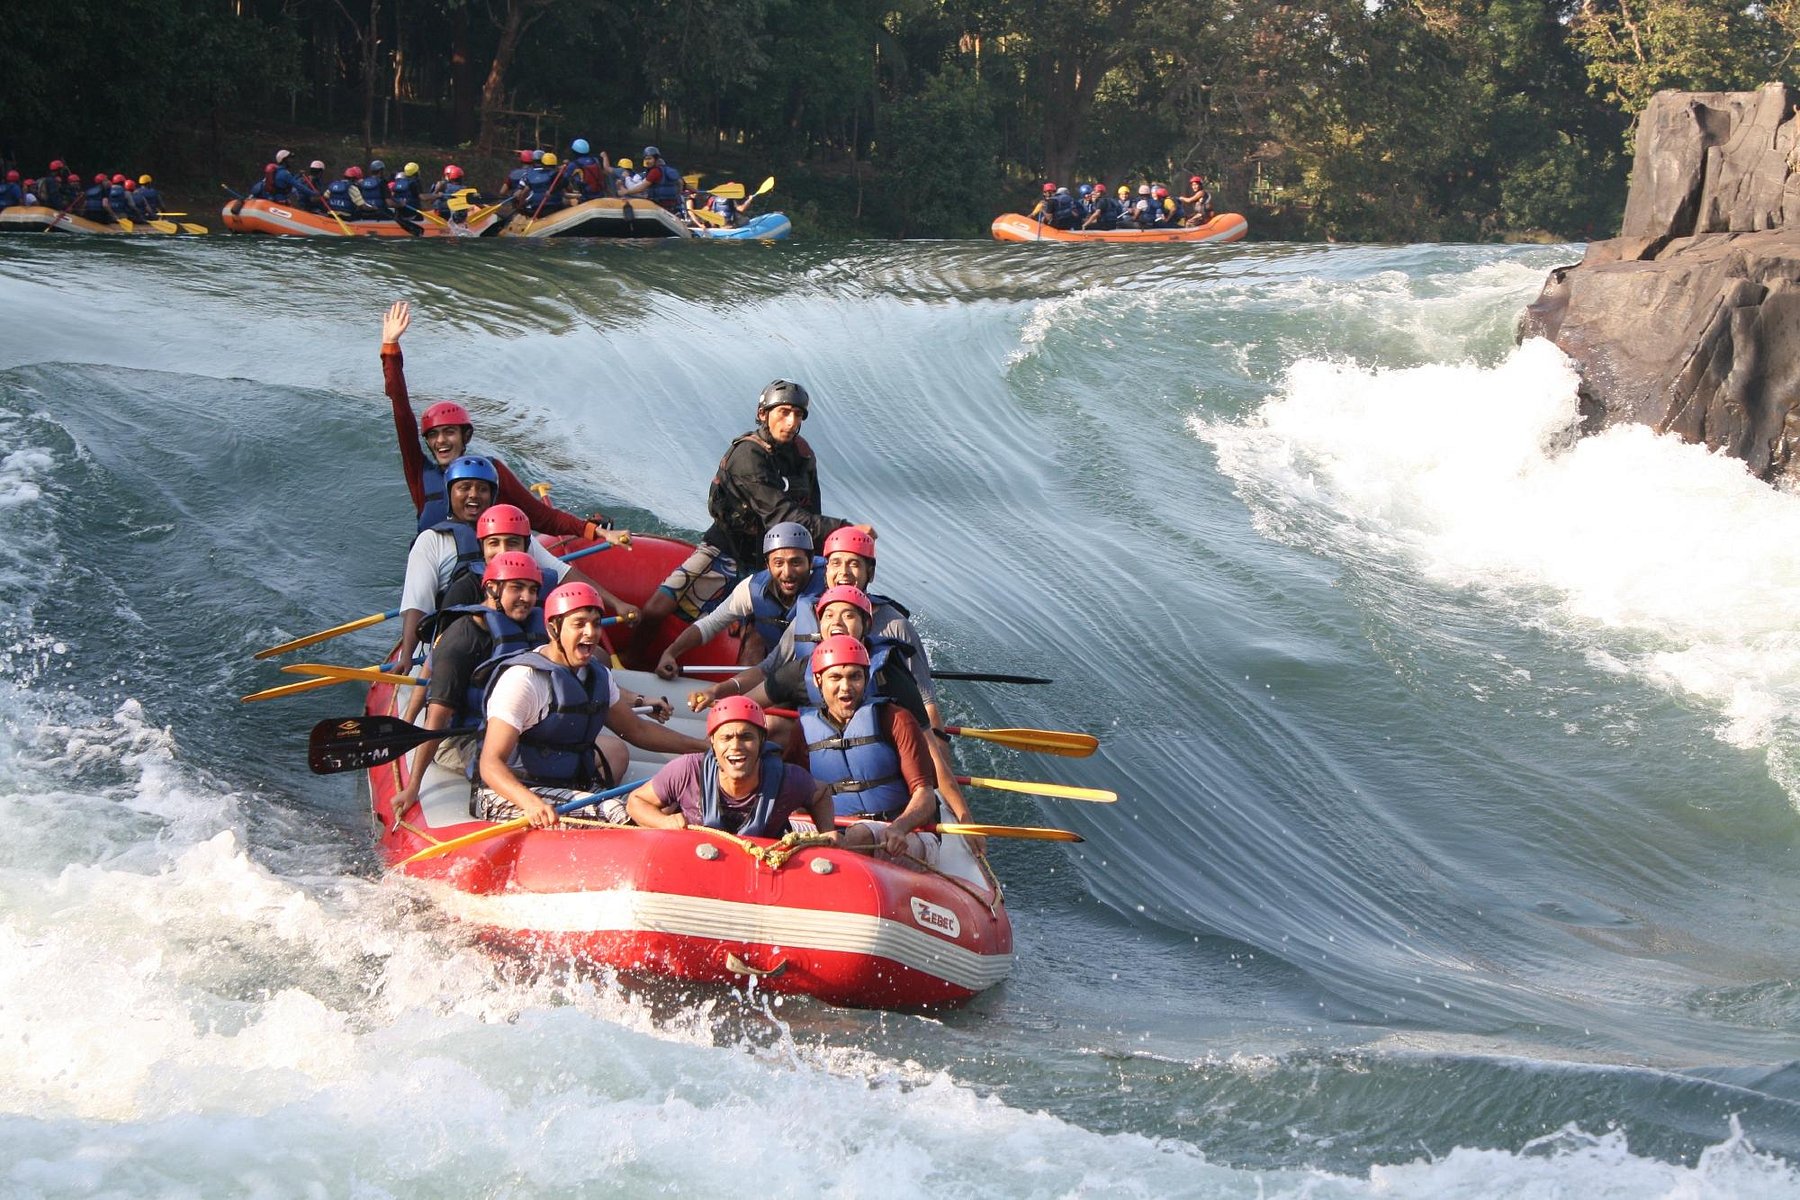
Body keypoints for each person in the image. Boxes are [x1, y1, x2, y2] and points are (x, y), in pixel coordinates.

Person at [628, 379, 872, 665]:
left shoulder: (802, 455)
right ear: (763, 414)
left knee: (758, 634)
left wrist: (824, 562)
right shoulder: (748, 456)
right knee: (657, 609)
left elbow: (810, 514)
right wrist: (845, 527)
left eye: (797, 415)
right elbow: (783, 516)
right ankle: (631, 663)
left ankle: (742, 703)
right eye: (783, 412)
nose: (791, 422)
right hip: (726, 547)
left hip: (772, 560)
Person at [380, 300, 620, 539]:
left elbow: (542, 517)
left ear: (465, 436)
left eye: (449, 432)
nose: (441, 440)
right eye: (433, 434)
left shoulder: (491, 472)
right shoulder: (420, 474)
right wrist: (391, 349)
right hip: (442, 568)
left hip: (488, 569)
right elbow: (401, 411)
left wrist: (592, 530)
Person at [475, 582, 706, 827]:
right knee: (622, 816)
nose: (590, 632)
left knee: (664, 804)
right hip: (511, 795)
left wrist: (701, 747)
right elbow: (490, 764)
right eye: (579, 624)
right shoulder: (525, 681)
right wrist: (531, 803)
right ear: (553, 629)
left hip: (569, 786)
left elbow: (638, 730)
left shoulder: (597, 675)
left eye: (596, 624)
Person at [391, 548, 548, 818]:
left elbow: (428, 664)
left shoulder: (525, 624)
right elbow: (437, 719)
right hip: (461, 738)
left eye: (533, 590)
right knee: (537, 768)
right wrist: (413, 787)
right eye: (517, 588)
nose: (527, 598)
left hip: (510, 725)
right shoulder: (462, 641)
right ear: (492, 589)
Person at [799, 636, 970, 858]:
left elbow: (925, 797)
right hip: (837, 832)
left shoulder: (897, 719)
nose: (846, 687)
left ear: (866, 677)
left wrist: (899, 827)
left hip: (905, 835)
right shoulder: (802, 729)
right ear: (818, 680)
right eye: (835, 678)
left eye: (855, 677)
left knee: (859, 835)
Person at [625, 696, 837, 839]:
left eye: (746, 737)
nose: (735, 747)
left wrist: (827, 833)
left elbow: (821, 793)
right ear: (713, 743)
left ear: (762, 742)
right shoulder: (688, 770)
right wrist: (663, 822)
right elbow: (636, 801)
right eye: (726, 738)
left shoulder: (787, 780)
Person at [653, 522, 823, 678]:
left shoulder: (827, 592)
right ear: (767, 564)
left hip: (815, 668)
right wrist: (671, 653)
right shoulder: (752, 589)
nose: (787, 572)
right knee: (754, 643)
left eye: (796, 563)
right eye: (778, 563)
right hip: (773, 661)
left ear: (810, 562)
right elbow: (710, 624)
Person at [620, 146, 682, 213]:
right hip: (671, 205)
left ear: (656, 159)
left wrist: (626, 191)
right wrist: (676, 195)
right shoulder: (667, 170)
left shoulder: (655, 171)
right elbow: (680, 183)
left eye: (649, 159)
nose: (647, 161)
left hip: (658, 204)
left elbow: (641, 187)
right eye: (646, 159)